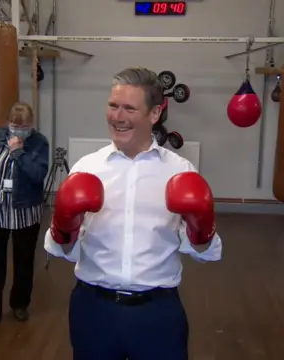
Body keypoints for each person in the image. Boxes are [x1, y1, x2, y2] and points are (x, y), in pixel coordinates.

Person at [44, 67, 223, 360]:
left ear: (154, 114)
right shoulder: (86, 168)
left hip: (158, 312)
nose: (118, 116)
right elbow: (64, 249)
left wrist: (200, 226)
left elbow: (204, 251)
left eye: (129, 108)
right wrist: (65, 224)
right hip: (93, 308)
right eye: (113, 106)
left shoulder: (179, 171)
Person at [0, 101, 49, 330]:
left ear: (31, 125)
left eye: (24, 126)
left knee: (23, 260)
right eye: (15, 125)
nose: (18, 130)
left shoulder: (39, 143)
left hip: (25, 208)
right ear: (8, 124)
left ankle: (19, 304)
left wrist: (18, 153)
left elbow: (38, 175)